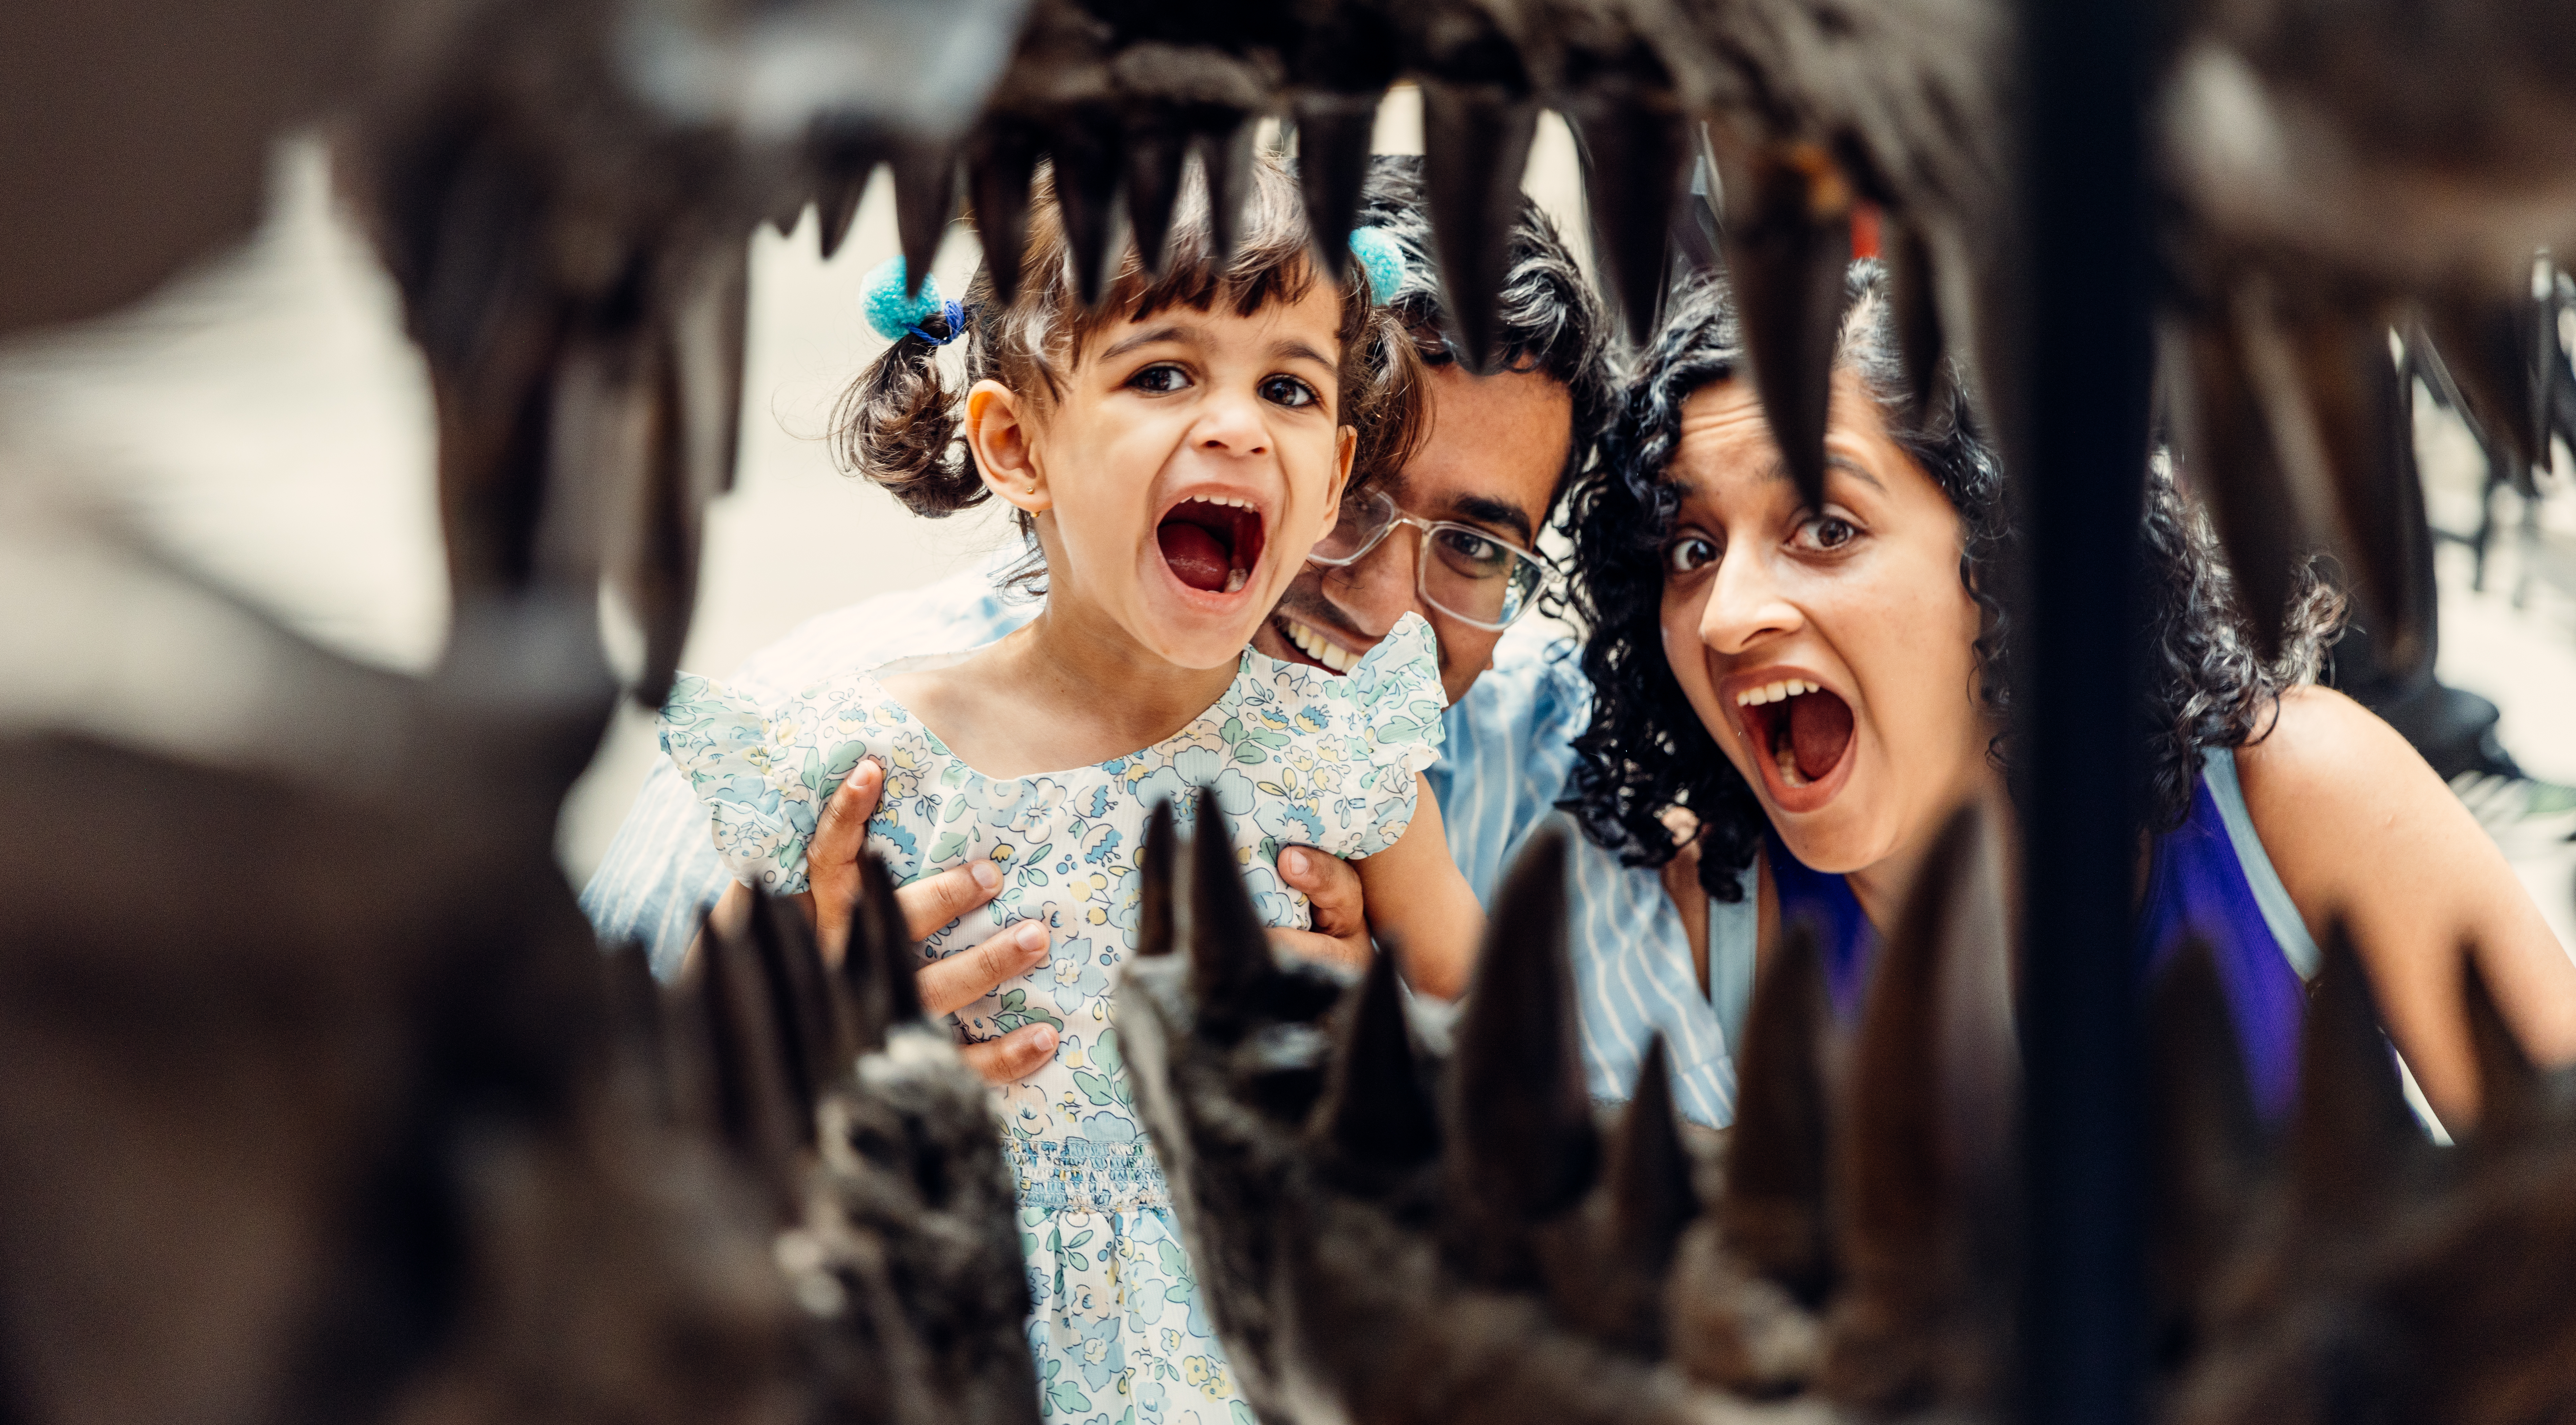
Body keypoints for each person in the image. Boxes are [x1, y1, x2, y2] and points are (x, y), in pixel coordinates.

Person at [660, 151, 1481, 1423]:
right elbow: (681, 1077)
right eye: (1163, 373)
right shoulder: (862, 765)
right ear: (1014, 443)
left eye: (1289, 387)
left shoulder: (1333, 760)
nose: (1235, 424)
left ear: (1330, 483)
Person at [581, 152, 1622, 1074]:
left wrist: (1384, 1072)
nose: (1388, 604)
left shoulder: (1376, 759)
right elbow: (582, 1129)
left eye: (1479, 548)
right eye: (1166, 376)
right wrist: (791, 1071)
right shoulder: (843, 744)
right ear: (1021, 448)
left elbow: (1525, 1078)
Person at [1563, 263, 2576, 1131]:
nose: (1726, 616)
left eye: (1827, 529)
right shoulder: (1705, 923)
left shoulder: (2298, 795)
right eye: (1691, 550)